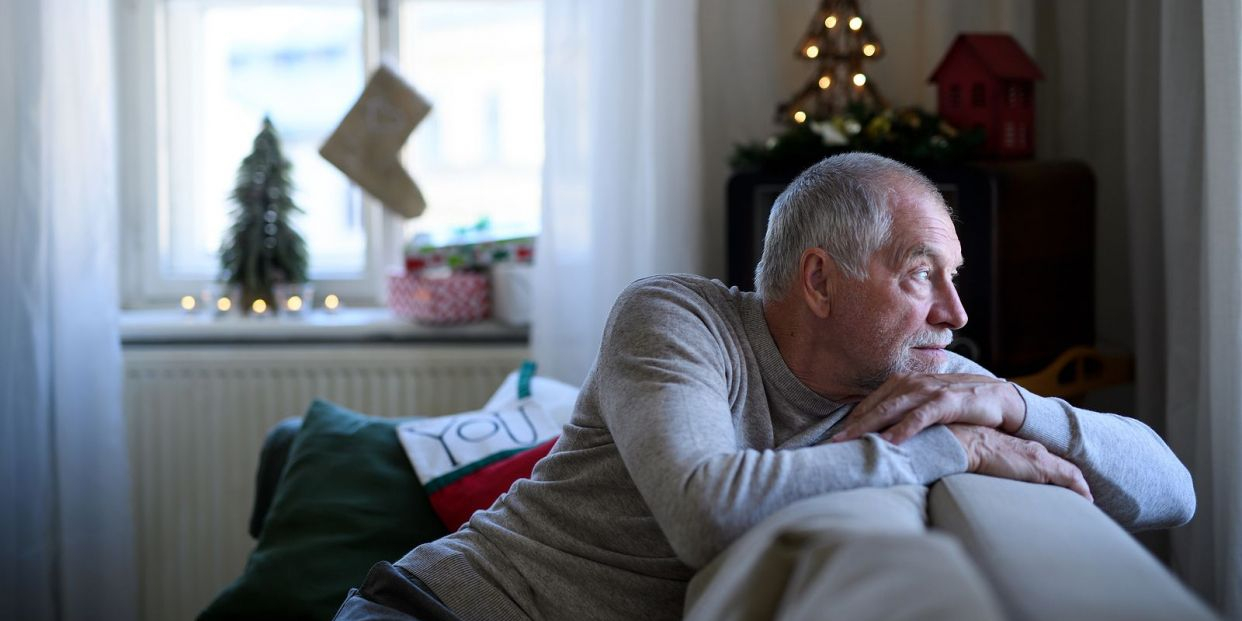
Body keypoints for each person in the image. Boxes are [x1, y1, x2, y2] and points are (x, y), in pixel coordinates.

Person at [333, 153, 1195, 621]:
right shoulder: (675, 319)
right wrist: (946, 449)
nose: (955, 310)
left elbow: (1175, 491)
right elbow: (706, 506)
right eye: (920, 273)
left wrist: (1016, 406)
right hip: (434, 609)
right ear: (820, 282)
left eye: (955, 276)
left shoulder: (923, 374)